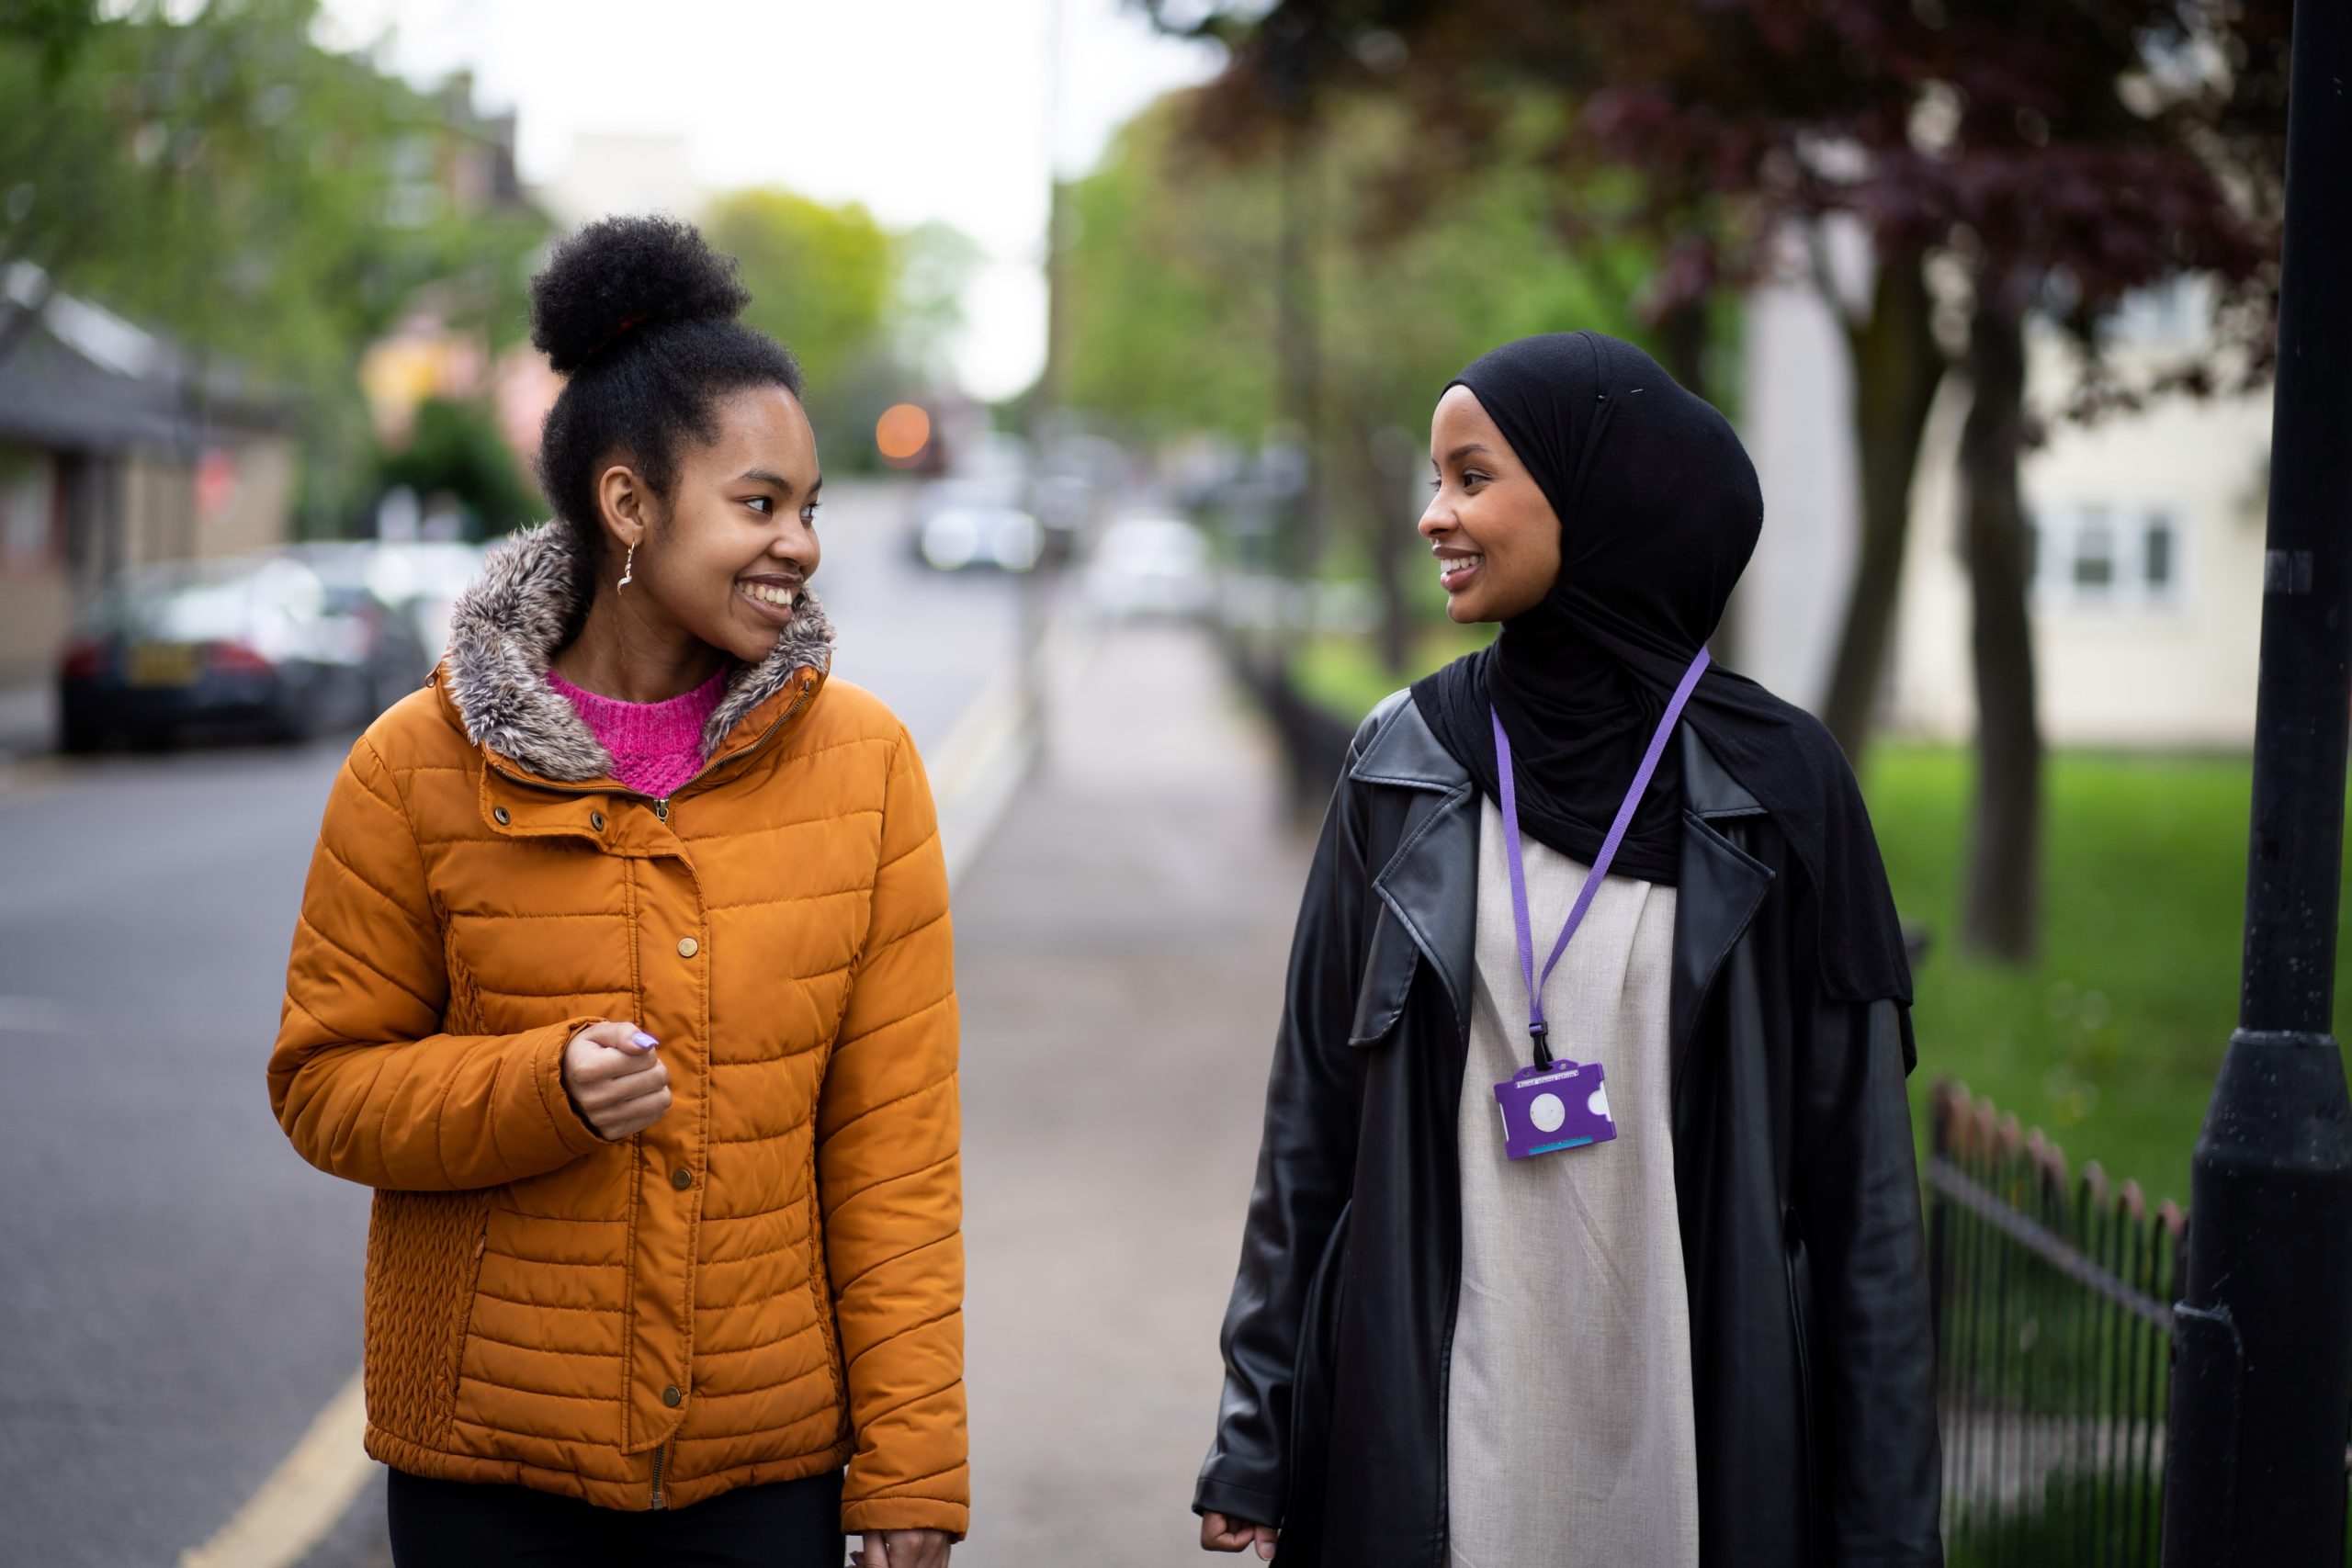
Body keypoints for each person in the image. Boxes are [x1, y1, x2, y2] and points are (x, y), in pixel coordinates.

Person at [268, 216, 965, 1568]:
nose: (802, 544)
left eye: (808, 507)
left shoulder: (867, 766)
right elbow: (324, 1084)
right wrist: (541, 1091)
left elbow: (897, 1152)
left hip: (768, 1465)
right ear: (629, 504)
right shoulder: (413, 764)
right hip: (490, 1466)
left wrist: (914, 1463)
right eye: (760, 504)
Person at [1193, 332, 1940, 1567]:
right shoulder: (1401, 764)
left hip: (1696, 1442)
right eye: (1435, 479)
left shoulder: (1785, 789)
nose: (1436, 515)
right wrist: (1257, 1434)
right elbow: (1308, 1135)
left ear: (1596, 496)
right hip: (1438, 1434)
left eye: (1472, 477)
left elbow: (1865, 1214)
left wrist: (1886, 1536)